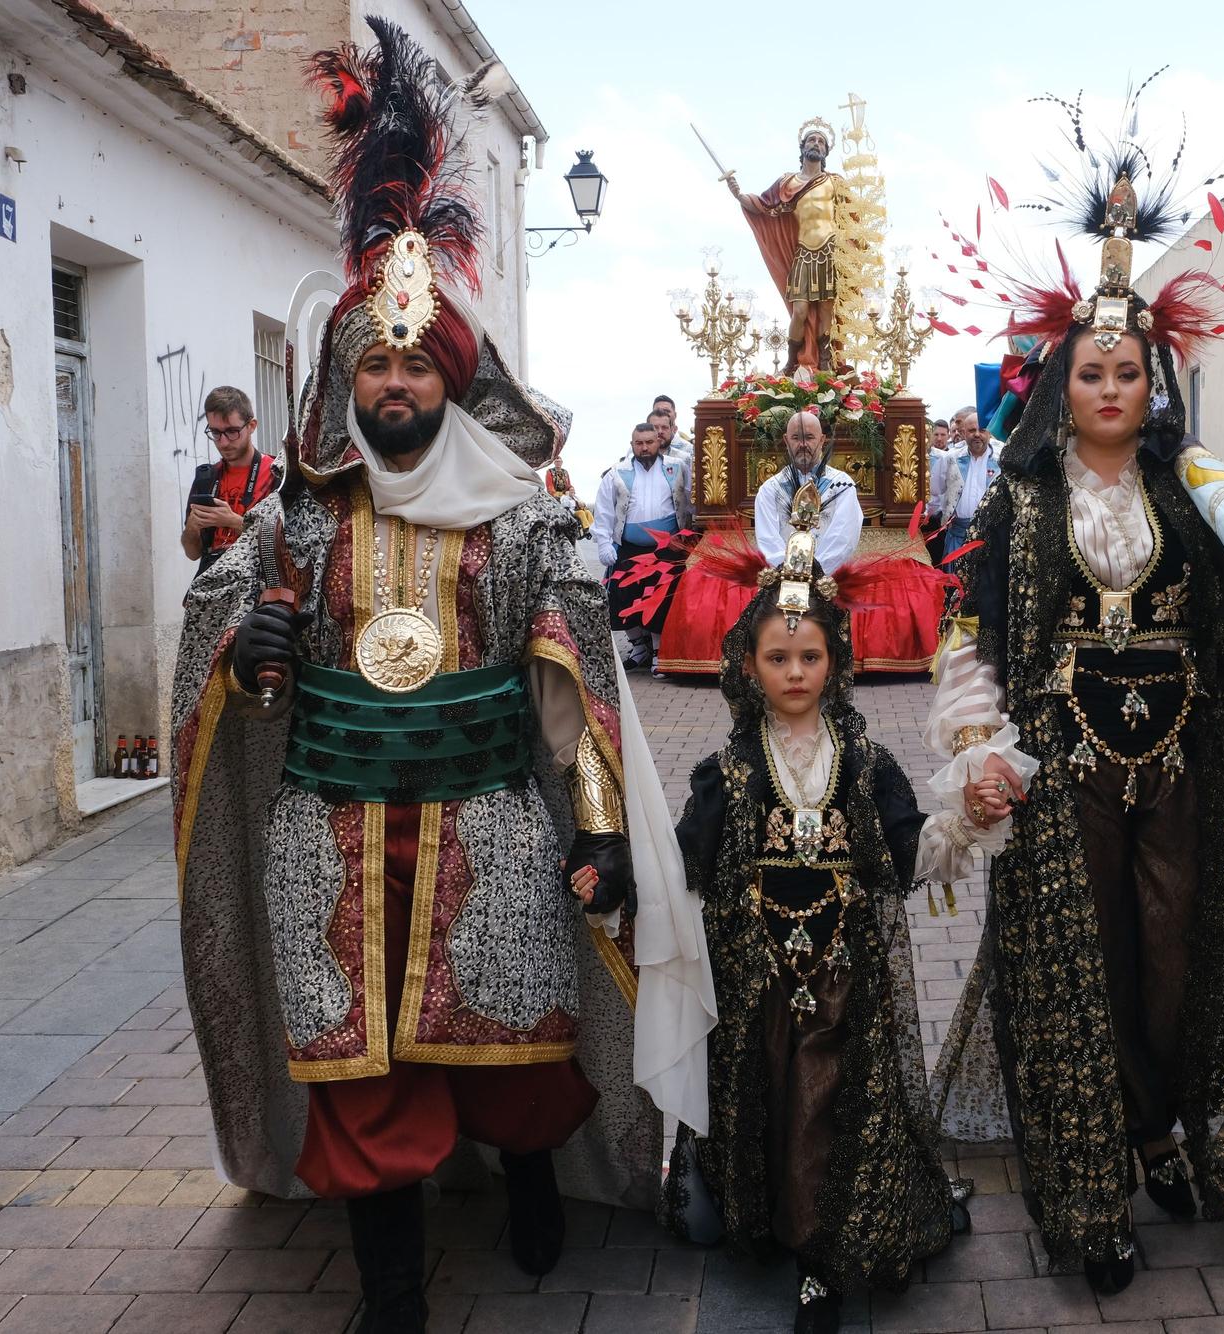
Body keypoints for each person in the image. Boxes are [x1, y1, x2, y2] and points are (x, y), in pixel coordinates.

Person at [169, 23, 716, 1331]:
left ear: (450, 379)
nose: (400, 378)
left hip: (484, 821)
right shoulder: (295, 519)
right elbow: (232, 629)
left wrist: (597, 827)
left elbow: (573, 672)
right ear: (345, 382)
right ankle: (393, 1292)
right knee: (360, 1074)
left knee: (514, 1048)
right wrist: (249, 650)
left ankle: (532, 1177)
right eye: (378, 361)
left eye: (419, 360)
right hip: (330, 832)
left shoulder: (521, 521)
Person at [925, 164, 1224, 1297]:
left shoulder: (1187, 484)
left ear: (1149, 379)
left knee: (1174, 957)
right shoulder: (1016, 501)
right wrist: (978, 748)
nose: (1110, 386)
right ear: (1058, 384)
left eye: (1126, 370)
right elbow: (967, 629)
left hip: (1175, 765)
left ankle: (1162, 1131)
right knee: (1084, 969)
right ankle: (1091, 1188)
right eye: (1090, 371)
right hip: (1058, 768)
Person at [665, 494, 988, 1333]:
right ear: (750, 667)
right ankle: (777, 1222)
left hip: (847, 977)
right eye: (779, 657)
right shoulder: (725, 770)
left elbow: (910, 851)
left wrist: (973, 819)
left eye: (811, 655)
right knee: (770, 1100)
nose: (796, 672)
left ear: (836, 663)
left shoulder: (868, 763)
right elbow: (683, 861)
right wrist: (621, 874)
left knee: (825, 1104)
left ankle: (822, 1265)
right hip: (756, 979)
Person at [728, 119, 849, 373]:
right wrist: (739, 195)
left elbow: (852, 216)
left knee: (827, 309)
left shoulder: (835, 183)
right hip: (804, 251)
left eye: (821, 142)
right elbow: (763, 204)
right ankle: (793, 360)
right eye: (812, 140)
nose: (816, 144)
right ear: (803, 147)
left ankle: (825, 359)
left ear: (826, 152)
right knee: (800, 310)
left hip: (830, 251)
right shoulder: (788, 182)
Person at [593, 421, 694, 672]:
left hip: (667, 549)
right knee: (622, 597)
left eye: (649, 442)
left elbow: (692, 503)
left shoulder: (677, 468)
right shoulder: (617, 473)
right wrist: (605, 544)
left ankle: (660, 653)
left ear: (659, 442)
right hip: (628, 547)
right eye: (639, 443)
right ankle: (639, 648)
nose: (645, 448)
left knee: (659, 599)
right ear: (632, 445)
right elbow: (604, 512)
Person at [180, 386, 280, 571]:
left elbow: (290, 543)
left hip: (260, 589)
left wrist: (233, 521)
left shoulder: (277, 473)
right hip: (213, 587)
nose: (223, 442)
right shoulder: (207, 477)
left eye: (232, 432)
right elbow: (192, 553)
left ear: (251, 426)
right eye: (215, 433)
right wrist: (192, 528)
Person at [754, 409, 861, 575]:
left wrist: (817, 573)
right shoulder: (770, 489)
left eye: (809, 437)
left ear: (822, 440)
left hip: (828, 580)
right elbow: (767, 540)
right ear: (786, 440)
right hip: (783, 579)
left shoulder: (842, 485)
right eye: (796, 438)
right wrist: (789, 573)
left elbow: (844, 537)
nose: (802, 444)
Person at [941, 407, 999, 559]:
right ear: (963, 433)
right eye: (972, 430)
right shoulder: (950, 458)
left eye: (982, 430)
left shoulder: (1002, 460)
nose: (977, 434)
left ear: (989, 432)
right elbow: (937, 491)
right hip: (958, 536)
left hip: (990, 538)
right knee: (954, 581)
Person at [924, 419, 957, 563]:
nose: (939, 438)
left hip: (939, 517)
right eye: (935, 434)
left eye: (943, 435)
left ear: (948, 435)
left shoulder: (950, 457)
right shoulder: (920, 455)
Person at [653, 394, 694, 468]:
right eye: (658, 411)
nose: (662, 413)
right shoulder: (639, 448)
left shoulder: (688, 449)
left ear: (675, 415)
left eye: (666, 411)